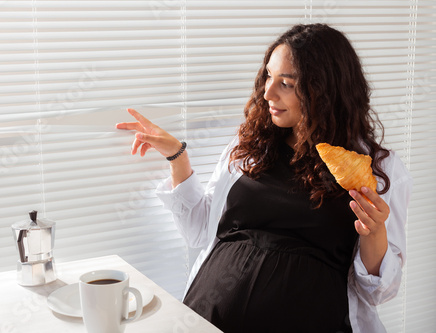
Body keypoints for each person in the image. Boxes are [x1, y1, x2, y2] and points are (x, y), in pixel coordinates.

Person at [116, 23, 412, 333]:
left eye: (286, 83)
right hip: (206, 318)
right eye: (268, 76)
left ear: (324, 90)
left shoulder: (378, 170)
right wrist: (178, 157)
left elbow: (378, 292)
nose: (268, 92)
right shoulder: (249, 145)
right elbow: (201, 232)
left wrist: (374, 232)